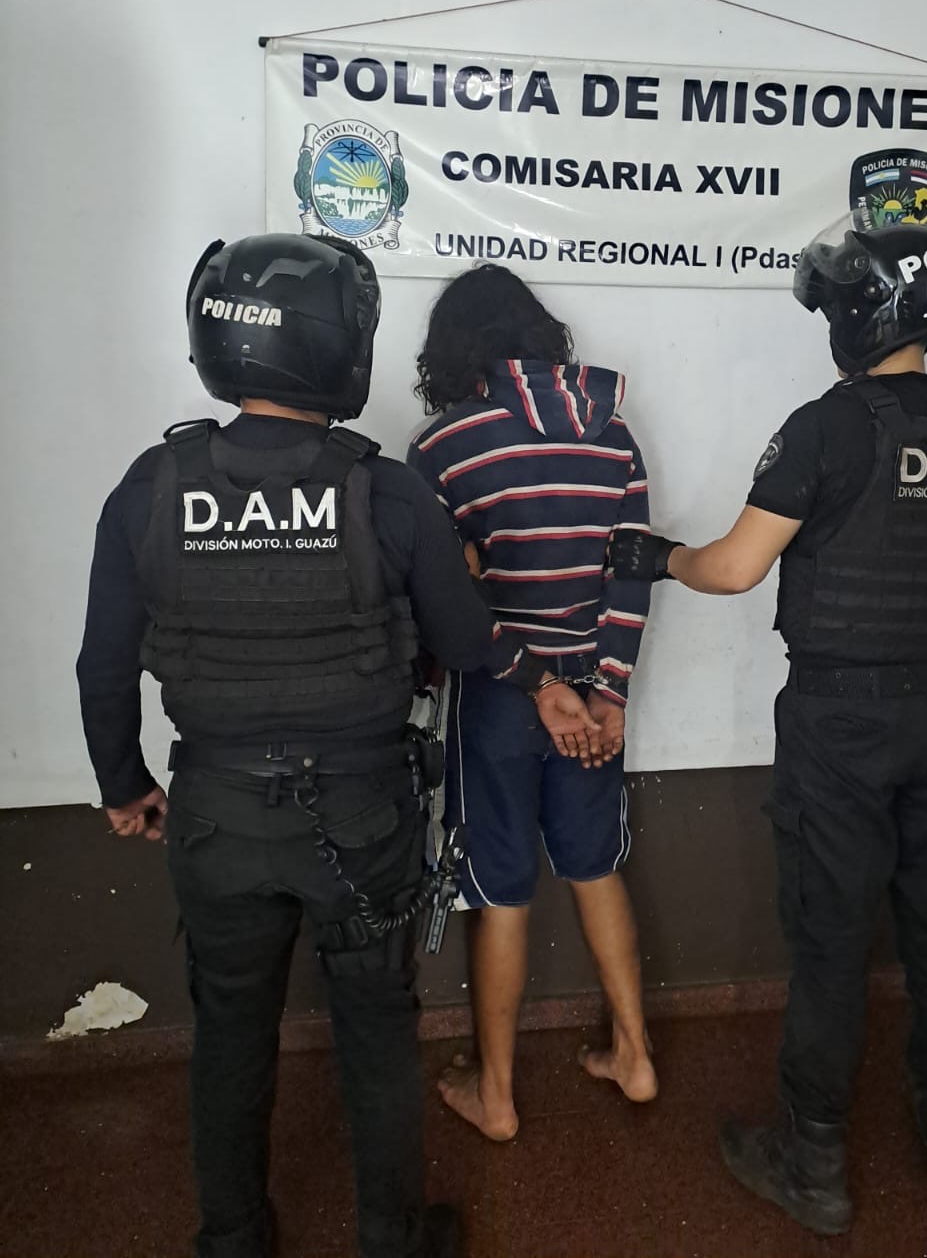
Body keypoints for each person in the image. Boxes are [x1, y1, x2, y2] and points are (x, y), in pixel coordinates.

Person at [75, 233, 592, 1258]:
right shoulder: (387, 491)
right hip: (361, 816)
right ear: (340, 348)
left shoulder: (152, 484)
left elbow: (103, 665)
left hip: (215, 815)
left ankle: (231, 1238)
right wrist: (544, 679)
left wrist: (125, 785)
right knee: (376, 1035)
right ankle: (392, 1239)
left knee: (229, 1032)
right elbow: (466, 643)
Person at [609, 216, 927, 1236]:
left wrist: (660, 557)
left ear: (858, 320)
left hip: (842, 723)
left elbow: (735, 567)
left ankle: (811, 1164)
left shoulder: (828, 427)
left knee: (831, 942)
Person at [407, 263, 658, 1144]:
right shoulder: (614, 433)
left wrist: (529, 677)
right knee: (595, 867)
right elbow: (633, 574)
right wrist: (608, 691)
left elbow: (444, 599)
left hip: (501, 697)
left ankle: (498, 1095)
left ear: (453, 348)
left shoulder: (444, 448)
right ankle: (634, 1056)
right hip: (592, 696)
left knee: (502, 891)